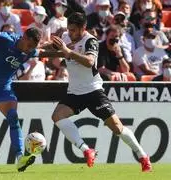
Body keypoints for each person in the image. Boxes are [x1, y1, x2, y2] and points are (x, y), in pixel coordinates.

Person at [50, 12, 152, 172]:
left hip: (93, 91)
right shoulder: (66, 36)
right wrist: (35, 52)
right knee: (57, 116)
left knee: (117, 128)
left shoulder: (90, 41)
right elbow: (56, 53)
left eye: (74, 30)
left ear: (83, 28)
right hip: (74, 92)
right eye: (69, 30)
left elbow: (90, 61)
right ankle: (86, 150)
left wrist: (67, 51)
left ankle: (143, 156)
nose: (70, 33)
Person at [0, 25, 56, 171]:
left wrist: (67, 52)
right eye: (29, 45)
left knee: (13, 117)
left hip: (2, 89)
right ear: (24, 37)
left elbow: (44, 52)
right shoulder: (6, 40)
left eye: (33, 47)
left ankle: (20, 157)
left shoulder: (30, 51)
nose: (29, 49)